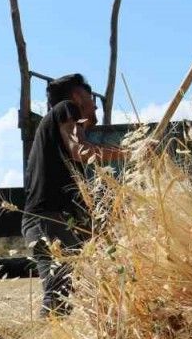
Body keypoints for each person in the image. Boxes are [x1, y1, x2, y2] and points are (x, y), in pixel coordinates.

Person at [21, 73, 127, 317]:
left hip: (50, 219)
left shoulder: (54, 130)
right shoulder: (66, 107)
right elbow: (80, 151)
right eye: (91, 98)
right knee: (58, 290)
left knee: (65, 288)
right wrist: (129, 152)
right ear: (78, 96)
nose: (95, 104)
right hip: (49, 219)